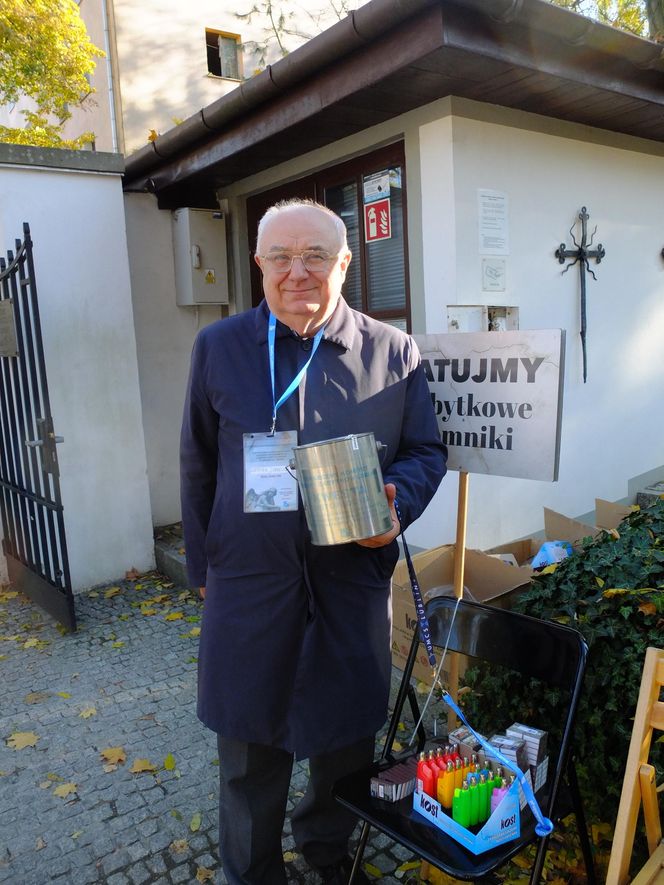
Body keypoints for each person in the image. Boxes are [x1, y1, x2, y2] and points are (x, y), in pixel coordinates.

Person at [180, 199, 447, 884]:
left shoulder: (393, 353)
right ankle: (254, 870)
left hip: (348, 587)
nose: (297, 272)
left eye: (316, 257)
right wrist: (204, 566)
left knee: (344, 749)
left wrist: (400, 502)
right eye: (281, 257)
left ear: (345, 264)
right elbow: (198, 461)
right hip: (249, 588)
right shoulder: (220, 347)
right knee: (247, 755)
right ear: (260, 264)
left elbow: (424, 450)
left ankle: (328, 858)